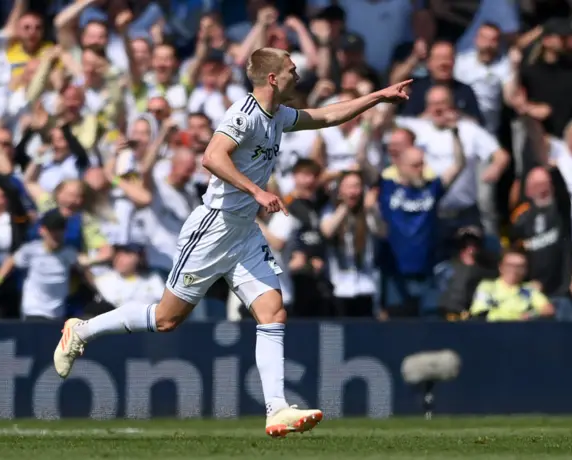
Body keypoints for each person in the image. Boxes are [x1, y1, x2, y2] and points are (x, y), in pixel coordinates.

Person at [52, 47, 412, 436]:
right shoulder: (244, 114)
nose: (297, 75)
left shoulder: (278, 116)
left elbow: (326, 116)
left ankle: (276, 409)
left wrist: (377, 97)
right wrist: (257, 193)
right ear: (273, 78)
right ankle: (81, 331)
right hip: (213, 228)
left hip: (242, 233)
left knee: (273, 312)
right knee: (166, 319)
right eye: (292, 70)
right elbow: (212, 157)